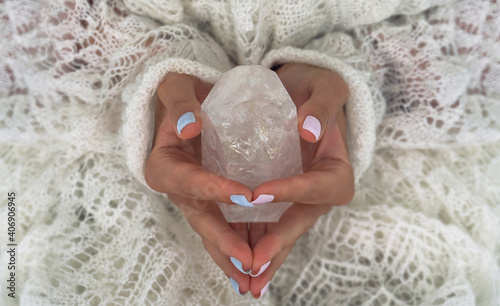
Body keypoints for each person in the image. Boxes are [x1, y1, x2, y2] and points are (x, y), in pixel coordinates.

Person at [1, 0, 499, 304]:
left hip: (412, 173)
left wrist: (347, 96)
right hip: (86, 170)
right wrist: (156, 84)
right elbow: (26, 26)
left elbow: (479, 37)